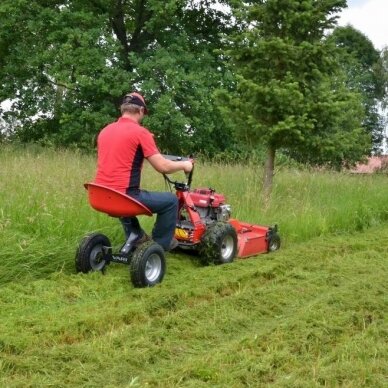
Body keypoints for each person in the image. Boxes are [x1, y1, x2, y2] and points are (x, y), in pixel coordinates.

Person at [94, 92, 193, 251]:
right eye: (144, 113)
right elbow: (163, 167)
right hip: (124, 196)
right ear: (140, 110)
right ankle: (158, 247)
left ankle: (137, 237)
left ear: (122, 109)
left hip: (100, 194)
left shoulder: (105, 131)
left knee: (121, 200)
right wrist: (185, 165)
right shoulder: (140, 132)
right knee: (170, 201)